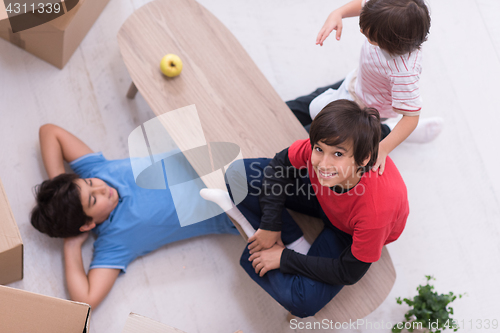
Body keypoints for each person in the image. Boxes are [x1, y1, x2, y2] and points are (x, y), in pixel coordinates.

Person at [206, 100, 409, 317]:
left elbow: (348, 271)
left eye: (338, 154)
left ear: (363, 158)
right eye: (319, 149)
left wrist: (285, 259)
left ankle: (265, 238)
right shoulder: (321, 158)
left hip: (347, 232)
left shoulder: (376, 212)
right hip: (321, 195)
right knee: (237, 175)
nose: (323, 164)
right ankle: (292, 240)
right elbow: (280, 166)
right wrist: (270, 224)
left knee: (302, 302)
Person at [30, 124, 239, 309]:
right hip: (239, 202)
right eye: (93, 200)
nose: (102, 189)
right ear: (87, 224)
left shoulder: (96, 170)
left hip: (221, 154)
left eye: (90, 183)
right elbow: (86, 300)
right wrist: (72, 245)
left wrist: (63, 188)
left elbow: (49, 131)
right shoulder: (115, 241)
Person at [288, 0, 443, 176]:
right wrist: (338, 13)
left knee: (312, 142)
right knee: (295, 109)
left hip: (364, 110)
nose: (361, 31)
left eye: (370, 35)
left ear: (389, 43)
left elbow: (411, 117)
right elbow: (364, 4)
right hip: (357, 81)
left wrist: (383, 148)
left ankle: (386, 132)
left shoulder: (404, 72)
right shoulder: (387, 8)